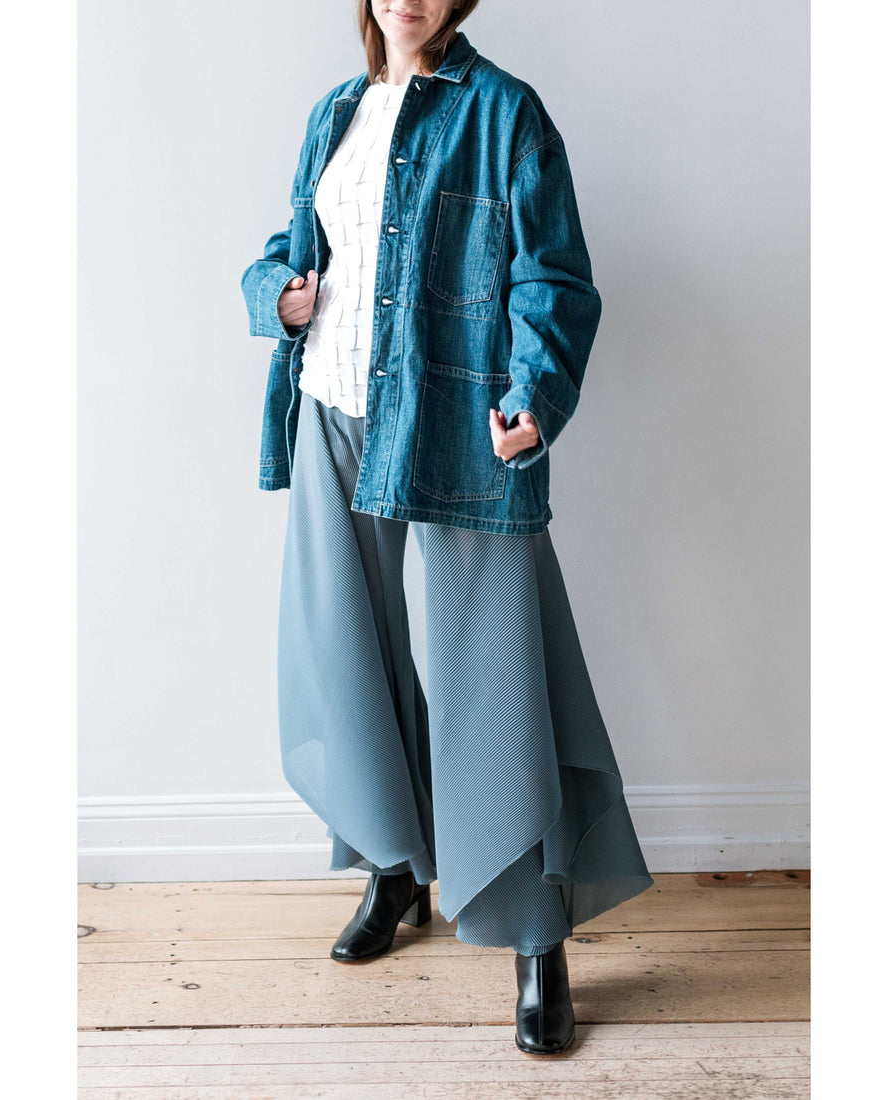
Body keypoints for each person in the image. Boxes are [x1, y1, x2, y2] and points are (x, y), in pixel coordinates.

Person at [240, 1, 654, 1056]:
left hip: (461, 420)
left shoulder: (506, 111)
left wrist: (534, 395)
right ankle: (394, 870)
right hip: (332, 406)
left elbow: (553, 275)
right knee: (344, 651)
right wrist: (274, 296)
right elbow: (296, 248)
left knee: (498, 672)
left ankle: (534, 936)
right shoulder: (334, 111)